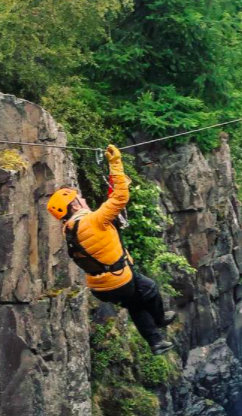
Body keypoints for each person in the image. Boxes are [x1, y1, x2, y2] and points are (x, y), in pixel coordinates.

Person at [46, 145, 176, 354]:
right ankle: (159, 320)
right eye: (81, 198)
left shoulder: (68, 229)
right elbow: (120, 197)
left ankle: (156, 342)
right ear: (76, 205)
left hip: (101, 288)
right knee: (149, 289)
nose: (85, 199)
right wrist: (115, 163)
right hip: (119, 279)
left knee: (136, 304)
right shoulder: (93, 221)